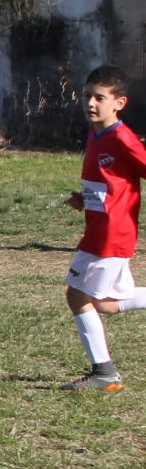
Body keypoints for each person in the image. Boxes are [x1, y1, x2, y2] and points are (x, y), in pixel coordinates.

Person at [63, 65, 146, 392]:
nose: (91, 103)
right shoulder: (96, 132)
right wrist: (85, 200)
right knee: (107, 303)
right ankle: (104, 372)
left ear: (119, 103)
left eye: (100, 97)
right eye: (87, 96)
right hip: (100, 230)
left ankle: (104, 372)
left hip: (111, 235)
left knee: (76, 295)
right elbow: (107, 184)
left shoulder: (123, 139)